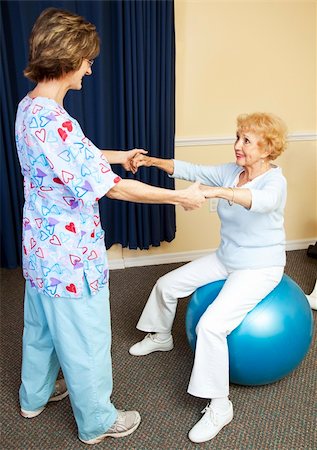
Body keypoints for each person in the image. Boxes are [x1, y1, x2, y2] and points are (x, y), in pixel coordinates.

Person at [15, 7, 206, 445]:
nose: (89, 68)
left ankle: (34, 396)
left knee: (41, 327)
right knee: (87, 341)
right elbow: (115, 190)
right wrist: (181, 196)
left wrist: (120, 155)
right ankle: (98, 421)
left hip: (41, 251)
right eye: (86, 60)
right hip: (71, 257)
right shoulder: (56, 123)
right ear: (67, 58)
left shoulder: (32, 109)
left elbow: (74, 157)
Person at [129, 112, 288, 443]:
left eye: (247, 140)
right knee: (166, 284)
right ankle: (161, 336)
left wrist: (217, 193)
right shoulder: (232, 172)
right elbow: (191, 170)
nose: (237, 145)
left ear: (267, 147)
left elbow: (259, 202)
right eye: (237, 137)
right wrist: (150, 162)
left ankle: (219, 406)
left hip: (260, 267)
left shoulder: (274, 181)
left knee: (211, 326)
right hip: (227, 258)